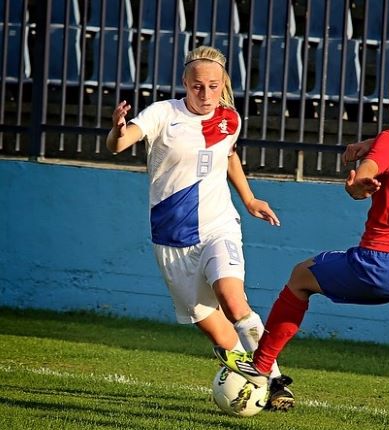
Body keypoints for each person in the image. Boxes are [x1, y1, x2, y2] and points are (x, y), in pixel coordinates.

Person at [214, 65, 389, 429]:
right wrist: (366, 147)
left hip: (380, 264)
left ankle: (261, 367)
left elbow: (371, 169)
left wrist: (358, 185)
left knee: (300, 277)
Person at [105, 45, 294, 411]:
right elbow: (120, 143)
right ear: (184, 84)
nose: (205, 94)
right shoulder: (163, 113)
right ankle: (253, 382)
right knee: (219, 333)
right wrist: (117, 130)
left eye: (212, 86)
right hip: (172, 240)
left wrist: (250, 199)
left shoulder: (229, 119)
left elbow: (229, 155)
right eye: (196, 87)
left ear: (222, 83)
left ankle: (274, 382)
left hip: (218, 226)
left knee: (233, 299)